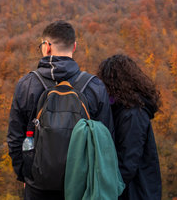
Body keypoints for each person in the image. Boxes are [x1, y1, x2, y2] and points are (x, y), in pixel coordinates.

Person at [7, 20, 114, 200]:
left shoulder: (27, 85)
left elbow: (15, 137)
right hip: (82, 187)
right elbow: (107, 139)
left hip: (38, 186)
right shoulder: (94, 86)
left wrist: (26, 174)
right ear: (74, 47)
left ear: (47, 47)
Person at [98, 54, 162, 200]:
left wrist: (106, 191)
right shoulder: (125, 110)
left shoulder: (133, 114)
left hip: (137, 192)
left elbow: (127, 163)